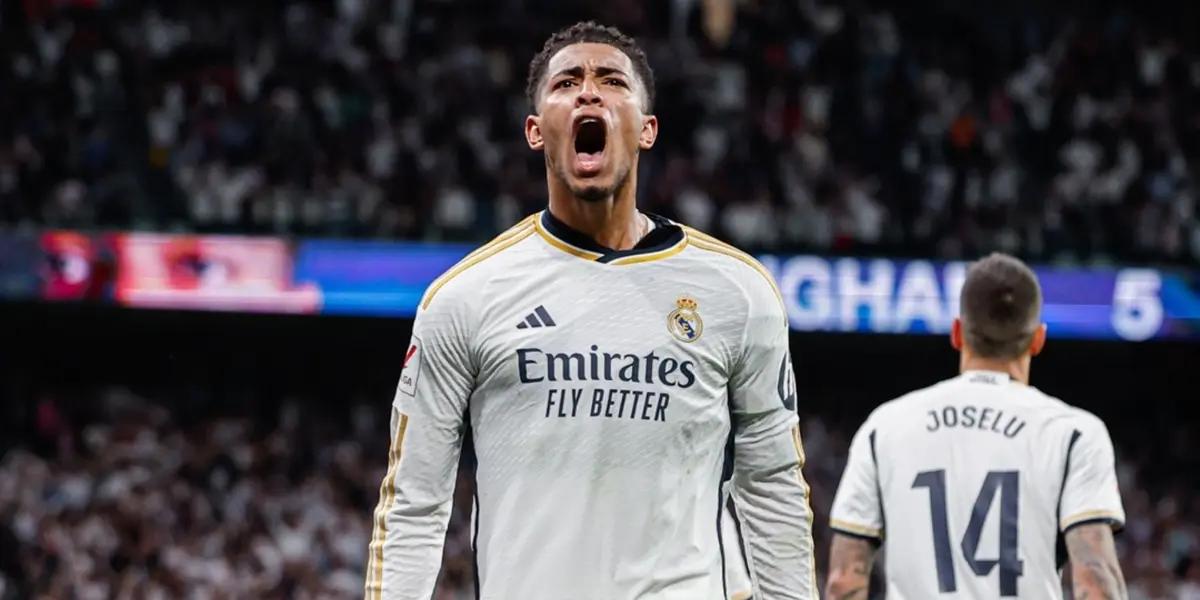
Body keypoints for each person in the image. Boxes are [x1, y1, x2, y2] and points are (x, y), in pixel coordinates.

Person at [364, 21, 817, 600]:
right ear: (535, 131)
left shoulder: (737, 291)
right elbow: (413, 505)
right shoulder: (465, 297)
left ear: (647, 130)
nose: (588, 92)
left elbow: (774, 486)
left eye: (611, 81)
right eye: (567, 82)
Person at [825, 253, 1128, 599]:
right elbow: (1096, 582)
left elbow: (844, 581)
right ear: (1038, 339)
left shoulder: (885, 427)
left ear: (957, 333)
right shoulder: (1073, 433)